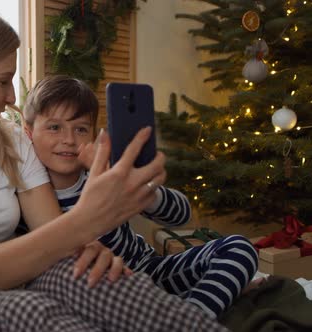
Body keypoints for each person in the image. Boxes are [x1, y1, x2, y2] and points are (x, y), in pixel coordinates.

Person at [0, 3, 228, 331]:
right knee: (24, 310)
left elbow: (54, 233)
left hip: (26, 278)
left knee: (91, 276)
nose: (11, 97)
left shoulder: (9, 140)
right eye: (2, 81)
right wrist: (85, 220)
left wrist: (87, 251)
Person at [20, 74, 259, 318]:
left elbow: (182, 214)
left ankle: (188, 317)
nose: (69, 140)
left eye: (80, 129)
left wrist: (137, 189)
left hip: (149, 271)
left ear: (93, 134)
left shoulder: (109, 175)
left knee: (240, 248)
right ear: (27, 133)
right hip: (106, 294)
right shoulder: (27, 202)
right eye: (54, 127)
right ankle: (182, 311)